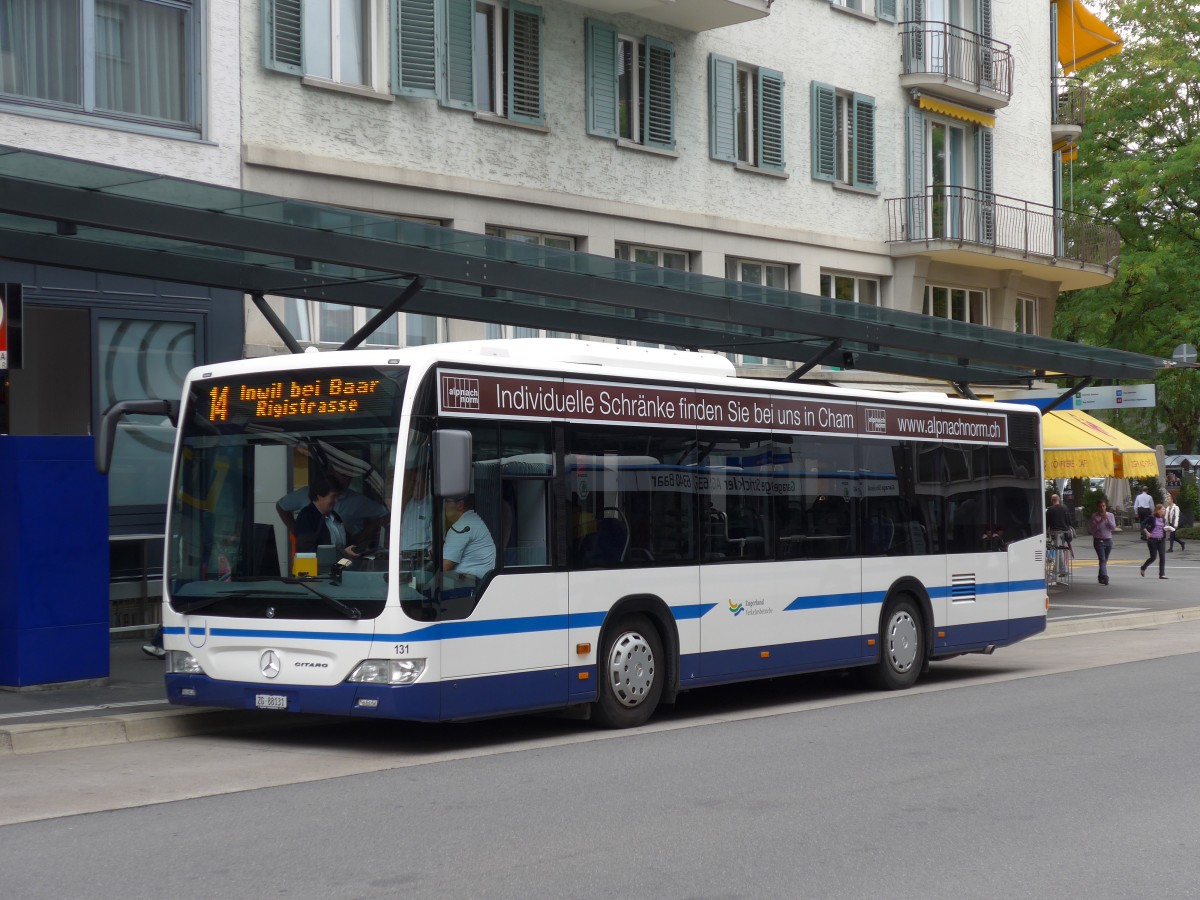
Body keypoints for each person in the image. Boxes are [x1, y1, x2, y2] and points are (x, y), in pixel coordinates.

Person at [277, 469, 387, 553]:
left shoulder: (335, 516)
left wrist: (358, 547)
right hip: (318, 573)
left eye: (337, 496)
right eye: (333, 496)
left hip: (338, 570)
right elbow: (308, 552)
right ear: (320, 496)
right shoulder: (307, 517)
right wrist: (343, 554)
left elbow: (347, 544)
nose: (336, 500)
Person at [441, 494, 496, 582]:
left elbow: (445, 567)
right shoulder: (474, 519)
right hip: (480, 580)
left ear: (460, 505)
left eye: (447, 502)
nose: (444, 506)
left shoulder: (461, 527)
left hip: (469, 584)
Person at [1088, 499, 1116, 586]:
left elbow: (1113, 527)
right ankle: (1105, 576)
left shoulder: (1110, 515)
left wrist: (1107, 520)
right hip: (1098, 540)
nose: (1102, 508)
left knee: (1104, 560)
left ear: (1106, 506)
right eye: (1100, 506)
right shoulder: (1094, 516)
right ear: (1098, 507)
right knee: (1102, 559)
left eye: (1103, 506)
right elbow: (1094, 529)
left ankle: (1100, 577)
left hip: (1108, 540)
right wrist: (1100, 521)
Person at [1140, 503, 1168, 579]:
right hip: (1152, 540)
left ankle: (1162, 574)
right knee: (1153, 557)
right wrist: (1146, 532)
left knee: (1162, 556)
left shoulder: (1163, 519)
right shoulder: (1152, 517)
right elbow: (1143, 524)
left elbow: (1162, 528)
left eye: (1164, 509)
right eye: (1163, 509)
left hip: (1161, 540)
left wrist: (1167, 529)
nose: (1164, 511)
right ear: (1158, 510)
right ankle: (1143, 567)